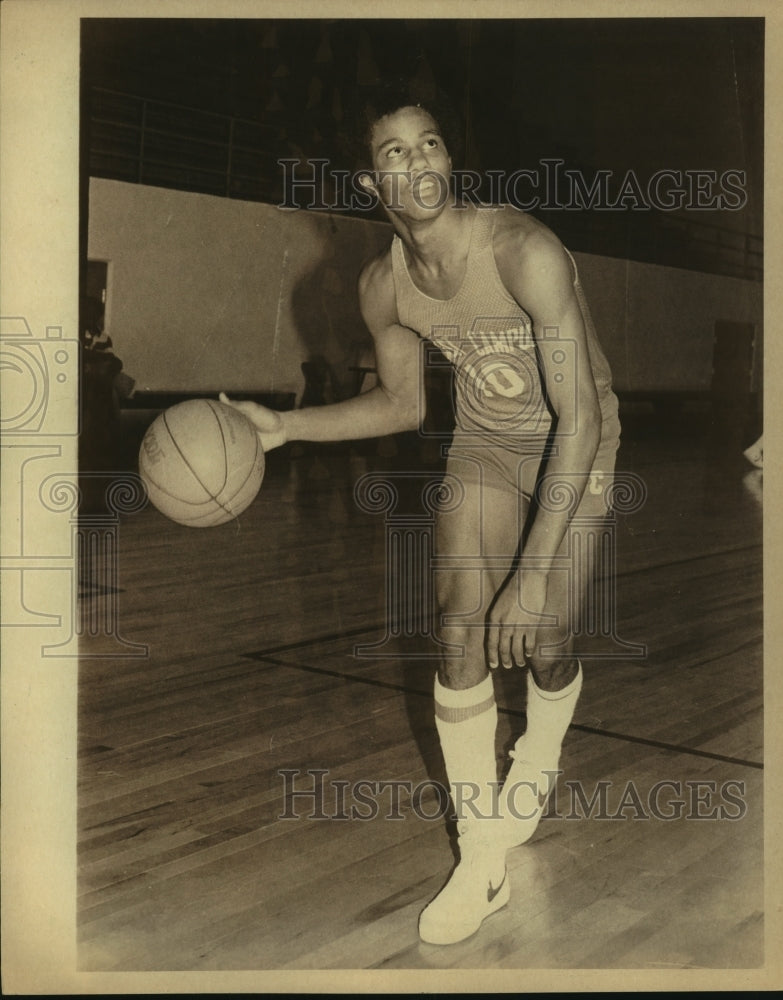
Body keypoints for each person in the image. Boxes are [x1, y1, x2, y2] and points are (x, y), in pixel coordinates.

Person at [221, 81, 620, 946]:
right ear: (372, 185)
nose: (418, 162)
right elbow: (400, 407)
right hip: (482, 443)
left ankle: (540, 753)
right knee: (456, 624)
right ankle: (480, 859)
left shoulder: (524, 250)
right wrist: (283, 427)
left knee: (544, 637)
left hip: (575, 440)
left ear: (448, 157)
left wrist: (533, 573)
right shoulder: (382, 286)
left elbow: (578, 418)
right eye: (394, 152)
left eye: (429, 143)